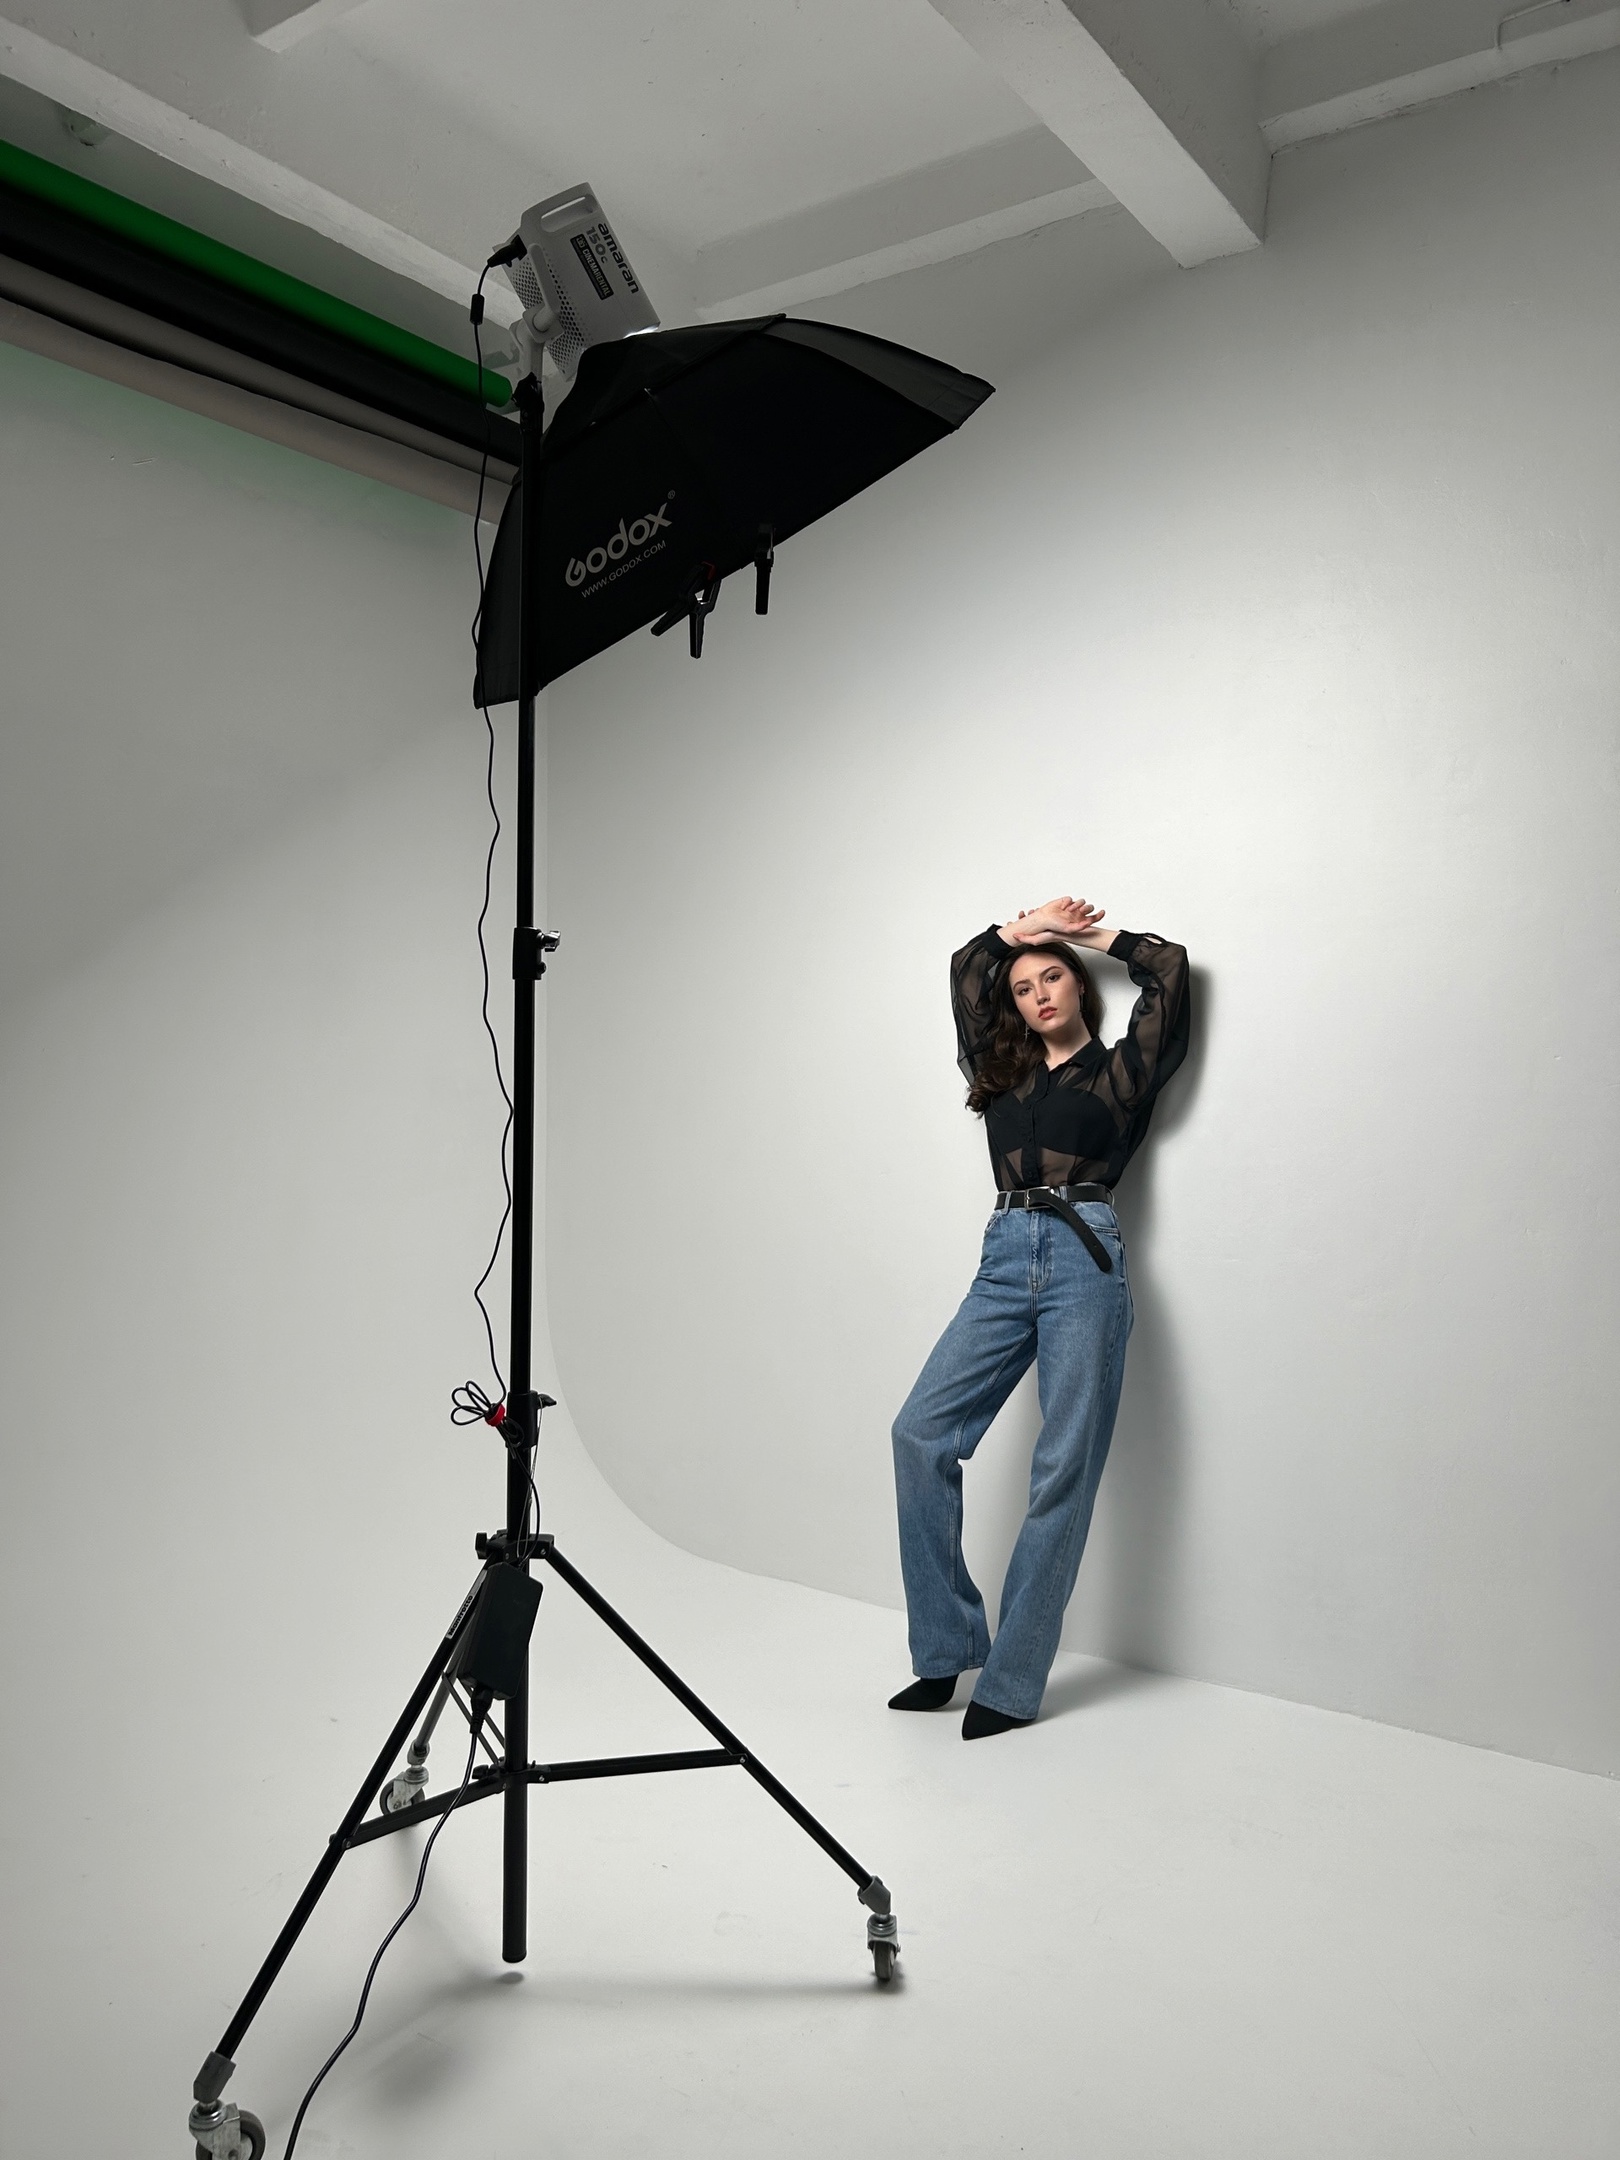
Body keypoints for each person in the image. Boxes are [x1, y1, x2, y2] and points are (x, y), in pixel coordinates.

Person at [889, 894, 1191, 1738]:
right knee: (919, 1434)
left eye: (1052, 977)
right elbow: (967, 972)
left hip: (1084, 1259)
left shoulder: (1121, 1072)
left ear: (1079, 985)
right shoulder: (1001, 1073)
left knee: (1063, 1466)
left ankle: (1013, 1680)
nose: (1037, 995)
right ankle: (947, 1647)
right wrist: (1015, 934)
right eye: (1023, 988)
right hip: (1003, 1255)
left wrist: (1087, 934)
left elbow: (1168, 970)